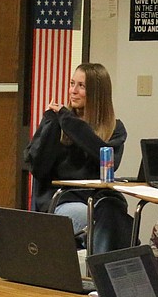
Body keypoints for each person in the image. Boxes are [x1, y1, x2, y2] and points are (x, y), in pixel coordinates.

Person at [24, 62, 132, 253]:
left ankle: (104, 271)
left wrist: (69, 122)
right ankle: (103, 270)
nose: (73, 91)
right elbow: (38, 167)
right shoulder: (57, 121)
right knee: (93, 218)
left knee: (115, 214)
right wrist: (53, 123)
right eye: (72, 83)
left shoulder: (114, 129)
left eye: (81, 86)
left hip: (98, 198)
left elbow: (107, 161)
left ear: (97, 93)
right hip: (63, 199)